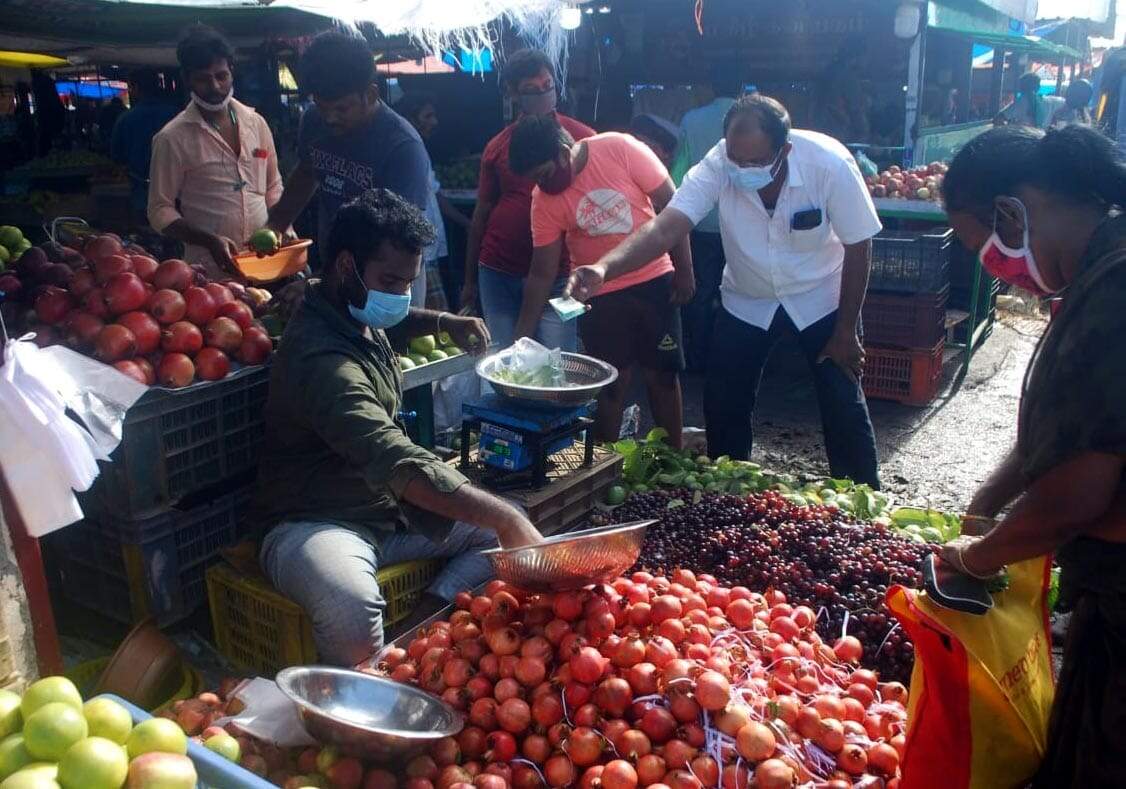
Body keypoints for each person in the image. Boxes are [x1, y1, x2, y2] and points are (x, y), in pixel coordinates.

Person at [255, 188, 543, 666]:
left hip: (382, 509)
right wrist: (506, 518)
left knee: (497, 538)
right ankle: (368, 683)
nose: (400, 294)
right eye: (390, 280)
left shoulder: (347, 306)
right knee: (351, 608)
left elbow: (393, 318)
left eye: (408, 282)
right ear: (347, 267)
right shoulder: (321, 361)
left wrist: (442, 320)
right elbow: (392, 456)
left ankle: (417, 633)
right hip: (314, 520)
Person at [937, 124, 1126, 789]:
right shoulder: (1100, 268)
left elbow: (1077, 493)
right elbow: (1077, 425)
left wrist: (975, 556)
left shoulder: (1113, 294)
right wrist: (988, 500)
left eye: (977, 244)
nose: (990, 265)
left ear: (1012, 213)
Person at [567, 95, 882, 486]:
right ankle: (730, 490)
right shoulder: (719, 165)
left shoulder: (829, 163)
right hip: (747, 300)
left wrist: (846, 330)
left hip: (822, 298)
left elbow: (859, 243)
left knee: (843, 403)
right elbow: (666, 226)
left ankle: (862, 505)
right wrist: (604, 268)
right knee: (724, 401)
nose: (742, 169)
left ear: (784, 150)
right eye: (736, 158)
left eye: (754, 162)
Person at [508, 115, 694, 447]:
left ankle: (673, 456)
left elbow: (674, 208)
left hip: (654, 280)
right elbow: (541, 273)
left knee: (662, 375)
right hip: (599, 294)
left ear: (565, 153)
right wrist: (520, 339)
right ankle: (603, 467)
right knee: (609, 383)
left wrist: (685, 270)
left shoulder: (620, 148)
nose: (541, 185)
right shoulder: (543, 199)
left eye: (543, 174)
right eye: (534, 180)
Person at [461, 49, 596, 351]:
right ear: (511, 92)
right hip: (498, 270)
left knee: (557, 365)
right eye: (531, 90)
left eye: (547, 86)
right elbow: (481, 216)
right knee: (503, 359)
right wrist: (469, 281)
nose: (543, 94)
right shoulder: (498, 146)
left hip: (560, 277)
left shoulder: (583, 140)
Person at [266, 31, 432, 267]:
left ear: (371, 94)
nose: (330, 118)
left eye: (342, 109)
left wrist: (323, 284)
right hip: (335, 266)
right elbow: (306, 173)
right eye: (322, 107)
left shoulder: (403, 147)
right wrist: (275, 225)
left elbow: (403, 239)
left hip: (388, 276)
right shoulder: (314, 120)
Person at [148, 25, 283, 278]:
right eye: (203, 79)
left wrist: (280, 227)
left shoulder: (256, 123)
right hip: (209, 274)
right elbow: (159, 210)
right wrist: (209, 240)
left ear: (232, 70)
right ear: (187, 78)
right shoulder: (172, 137)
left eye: (221, 76)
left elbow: (273, 186)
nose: (215, 86)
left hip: (266, 263)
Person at [673, 64, 741, 371]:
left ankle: (698, 357)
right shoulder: (752, 122)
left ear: (712, 87)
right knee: (739, 291)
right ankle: (730, 356)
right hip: (740, 225)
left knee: (701, 292)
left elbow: (679, 170)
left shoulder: (692, 119)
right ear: (742, 90)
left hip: (701, 222)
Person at [394, 92, 472, 310]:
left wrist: (466, 223)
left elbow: (435, 194)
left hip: (430, 244)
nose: (434, 122)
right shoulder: (406, 151)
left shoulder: (418, 150)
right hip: (418, 246)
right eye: (428, 116)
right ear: (411, 117)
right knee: (427, 314)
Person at [110, 70, 178, 221]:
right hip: (178, 194)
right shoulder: (177, 115)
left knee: (146, 239)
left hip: (143, 195)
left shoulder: (125, 120)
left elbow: (117, 157)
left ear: (136, 88)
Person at [996, 72, 1064, 130]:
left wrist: (1009, 129)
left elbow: (999, 118)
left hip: (1025, 140)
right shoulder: (1051, 101)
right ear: (1038, 87)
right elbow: (1066, 103)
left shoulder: (1022, 102)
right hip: (1042, 139)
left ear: (1022, 87)